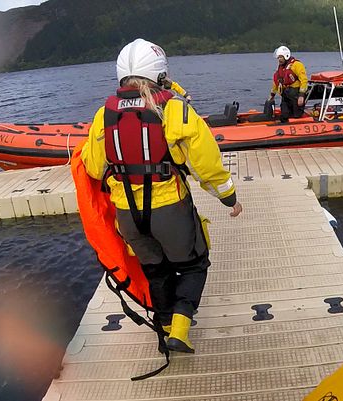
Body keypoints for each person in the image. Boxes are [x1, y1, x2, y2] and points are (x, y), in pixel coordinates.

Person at [80, 38, 242, 354]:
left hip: (128, 215)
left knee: (156, 270)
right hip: (170, 209)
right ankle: (180, 328)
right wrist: (229, 198)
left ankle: (165, 324)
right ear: (160, 73)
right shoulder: (173, 109)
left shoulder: (103, 116)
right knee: (195, 264)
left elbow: (95, 167)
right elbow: (205, 164)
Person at [268, 45, 308, 122]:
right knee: (284, 115)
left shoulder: (296, 65)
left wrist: (301, 96)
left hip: (295, 95)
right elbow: (276, 82)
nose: (279, 59)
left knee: (297, 115)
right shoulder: (281, 68)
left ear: (286, 56)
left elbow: (304, 80)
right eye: (278, 57)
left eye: (280, 57)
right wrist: (272, 95)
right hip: (286, 95)